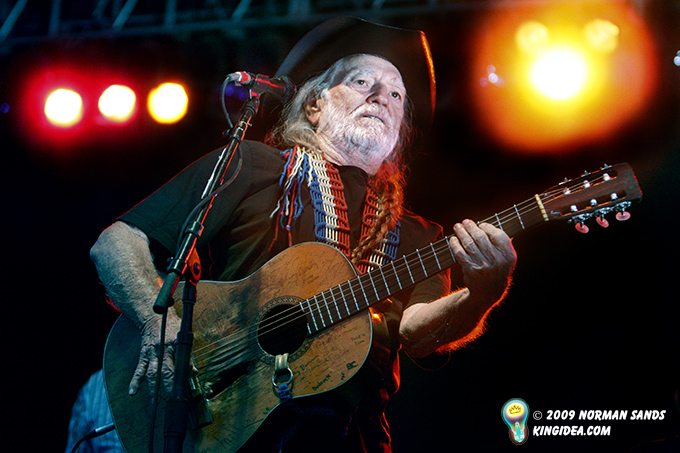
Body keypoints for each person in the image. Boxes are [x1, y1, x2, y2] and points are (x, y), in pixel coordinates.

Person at [90, 16, 516, 453]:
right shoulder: (252, 164)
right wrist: (155, 323)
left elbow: (417, 333)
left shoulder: (419, 234)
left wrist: (481, 294)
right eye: (362, 81)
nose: (380, 97)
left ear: (399, 132)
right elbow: (118, 242)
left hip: (352, 439)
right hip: (229, 427)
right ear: (314, 105)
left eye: (396, 94)